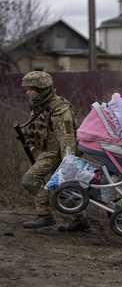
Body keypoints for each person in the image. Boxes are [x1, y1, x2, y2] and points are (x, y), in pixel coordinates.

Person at [20, 71, 89, 231]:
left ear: (42, 89)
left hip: (57, 153)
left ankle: (45, 216)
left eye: (31, 89)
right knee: (60, 187)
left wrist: (68, 164)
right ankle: (80, 220)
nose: (27, 92)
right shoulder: (40, 105)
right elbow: (39, 127)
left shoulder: (59, 110)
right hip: (47, 151)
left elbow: (67, 139)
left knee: (30, 180)